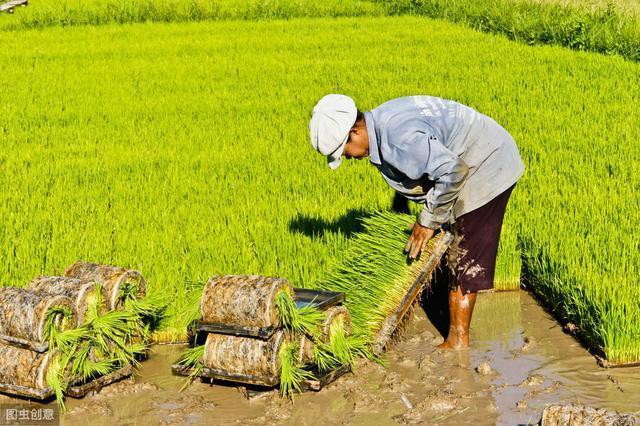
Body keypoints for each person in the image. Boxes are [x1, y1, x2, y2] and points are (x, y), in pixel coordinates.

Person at [309, 94, 525, 349]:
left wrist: (427, 222)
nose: (348, 157)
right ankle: (448, 311)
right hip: (466, 158)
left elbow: (454, 171)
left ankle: (458, 341)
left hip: (486, 163)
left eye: (344, 151)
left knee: (463, 251)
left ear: (355, 131)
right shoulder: (379, 123)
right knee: (448, 234)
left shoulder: (399, 137)